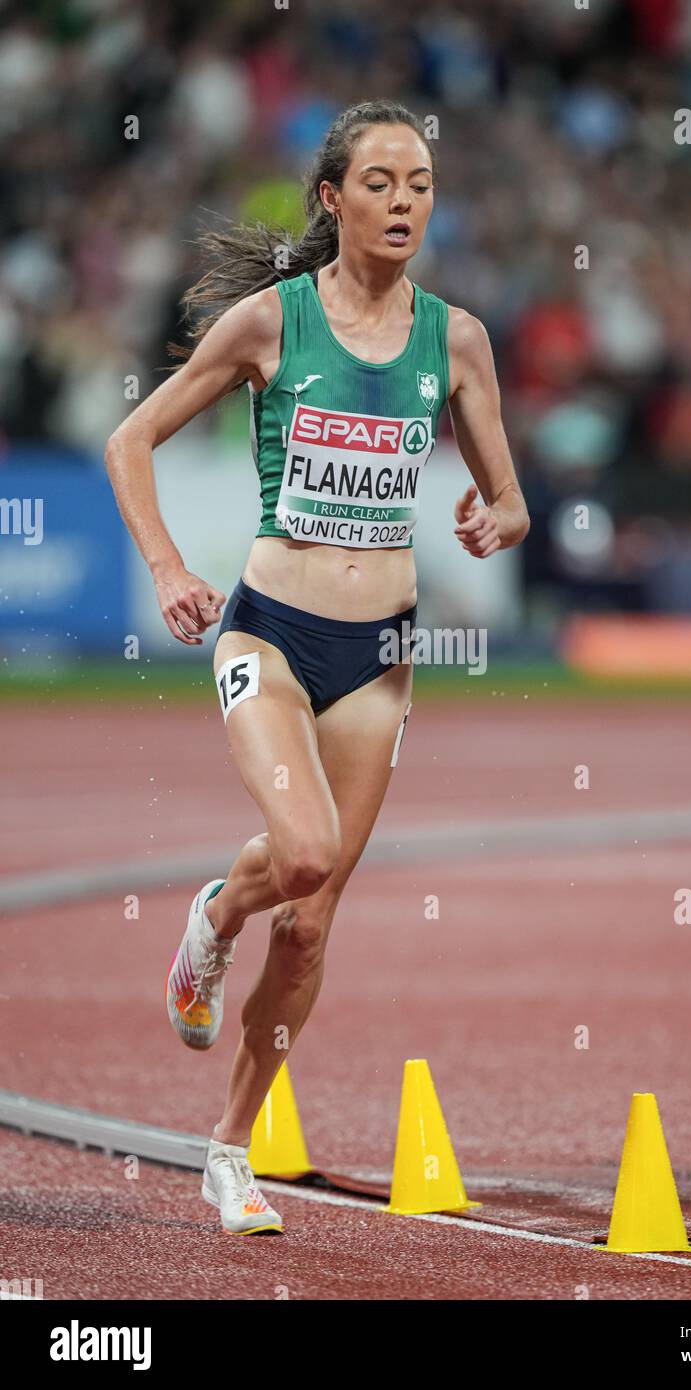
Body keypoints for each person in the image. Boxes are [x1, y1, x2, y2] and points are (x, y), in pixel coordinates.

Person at [105, 100, 529, 1235]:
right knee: (300, 854)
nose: (404, 202)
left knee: (310, 924)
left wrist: (498, 518)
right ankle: (211, 921)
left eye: (421, 183)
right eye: (381, 182)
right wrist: (164, 566)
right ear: (332, 200)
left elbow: (506, 494)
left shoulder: (460, 340)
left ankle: (230, 1150)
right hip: (270, 634)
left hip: (380, 656)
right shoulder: (268, 326)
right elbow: (129, 439)